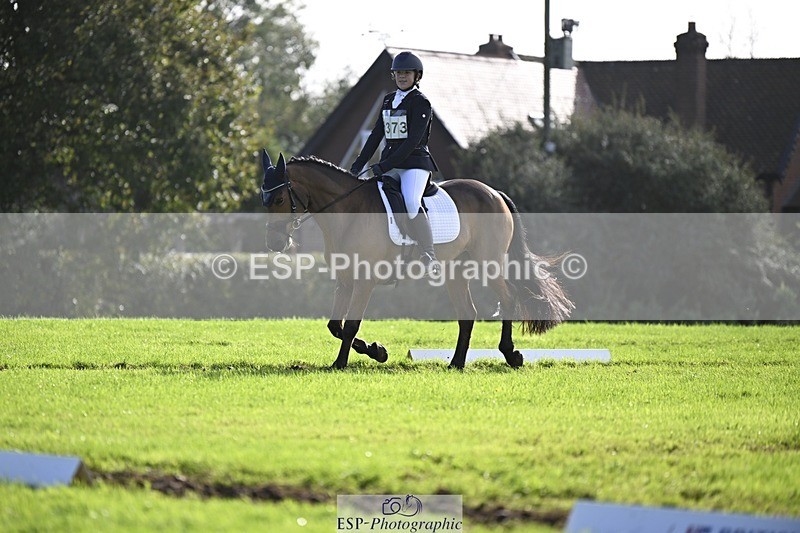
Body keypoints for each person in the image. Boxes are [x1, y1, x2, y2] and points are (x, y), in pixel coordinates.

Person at [349, 51, 441, 276]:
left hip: (415, 164)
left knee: (411, 200)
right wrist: (359, 163)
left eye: (406, 73)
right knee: (373, 198)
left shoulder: (421, 102)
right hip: (390, 164)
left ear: (416, 76)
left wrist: (385, 165)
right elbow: (376, 134)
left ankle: (429, 254)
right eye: (398, 73)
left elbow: (412, 142)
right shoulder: (389, 100)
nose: (402, 76)